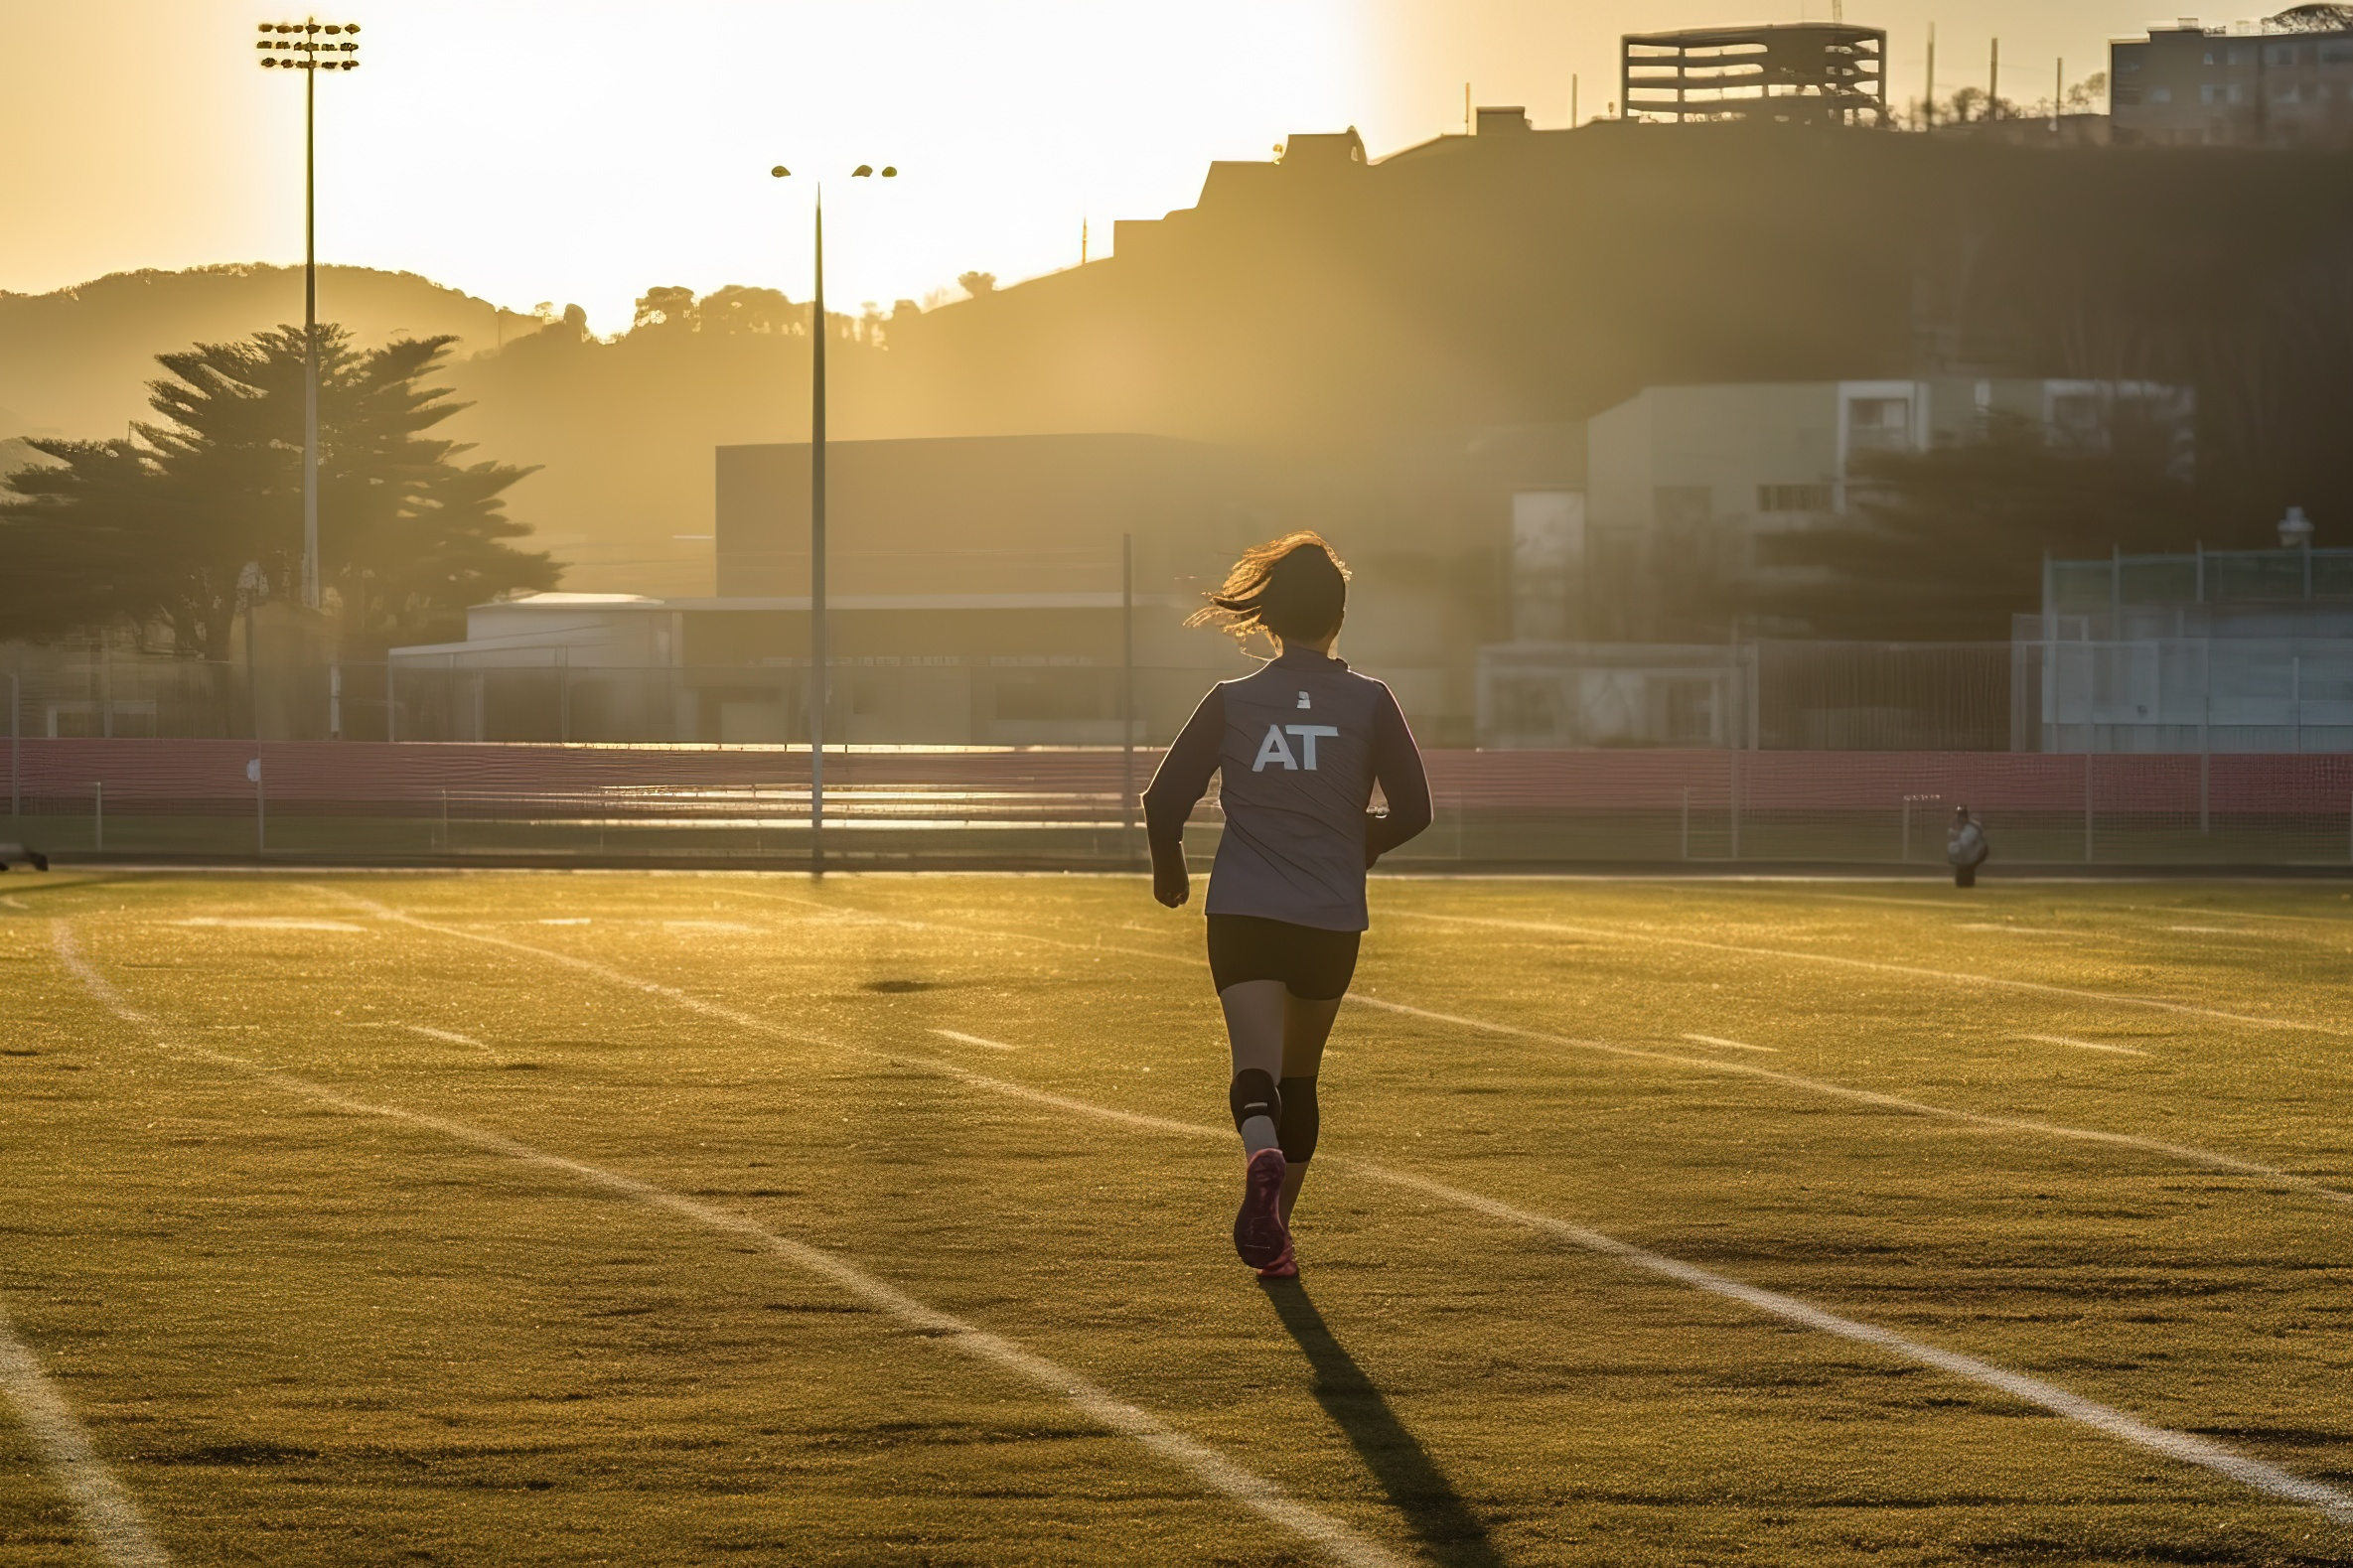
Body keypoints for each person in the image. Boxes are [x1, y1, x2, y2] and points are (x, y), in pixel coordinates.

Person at [1140, 532, 1431, 1280]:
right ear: (1338, 616)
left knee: (1255, 1070)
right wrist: (1356, 846)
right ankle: (1277, 1237)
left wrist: (1168, 868)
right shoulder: (1369, 701)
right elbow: (1415, 809)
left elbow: (1164, 798)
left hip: (1243, 910)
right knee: (1299, 1077)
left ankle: (1258, 1154)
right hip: (1329, 916)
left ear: (1266, 619)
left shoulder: (1233, 700)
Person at [1947, 805, 1988, 889]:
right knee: (1964, 869)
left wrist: (1952, 847)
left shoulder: (1970, 828)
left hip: (1974, 854)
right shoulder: (1970, 826)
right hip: (1975, 852)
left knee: (1963, 865)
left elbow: (1964, 845)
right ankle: (1966, 881)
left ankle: (1965, 881)